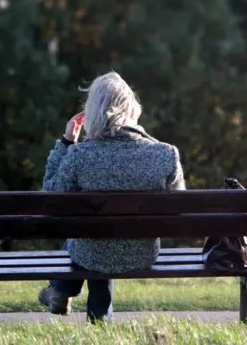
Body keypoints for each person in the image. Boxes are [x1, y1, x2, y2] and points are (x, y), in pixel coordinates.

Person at [38, 71, 186, 323]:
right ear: (131, 110)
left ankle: (61, 290)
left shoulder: (79, 155)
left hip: (91, 251)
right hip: (142, 251)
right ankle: (92, 319)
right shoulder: (165, 153)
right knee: (97, 241)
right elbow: (179, 206)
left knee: (89, 242)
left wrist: (65, 143)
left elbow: (51, 196)